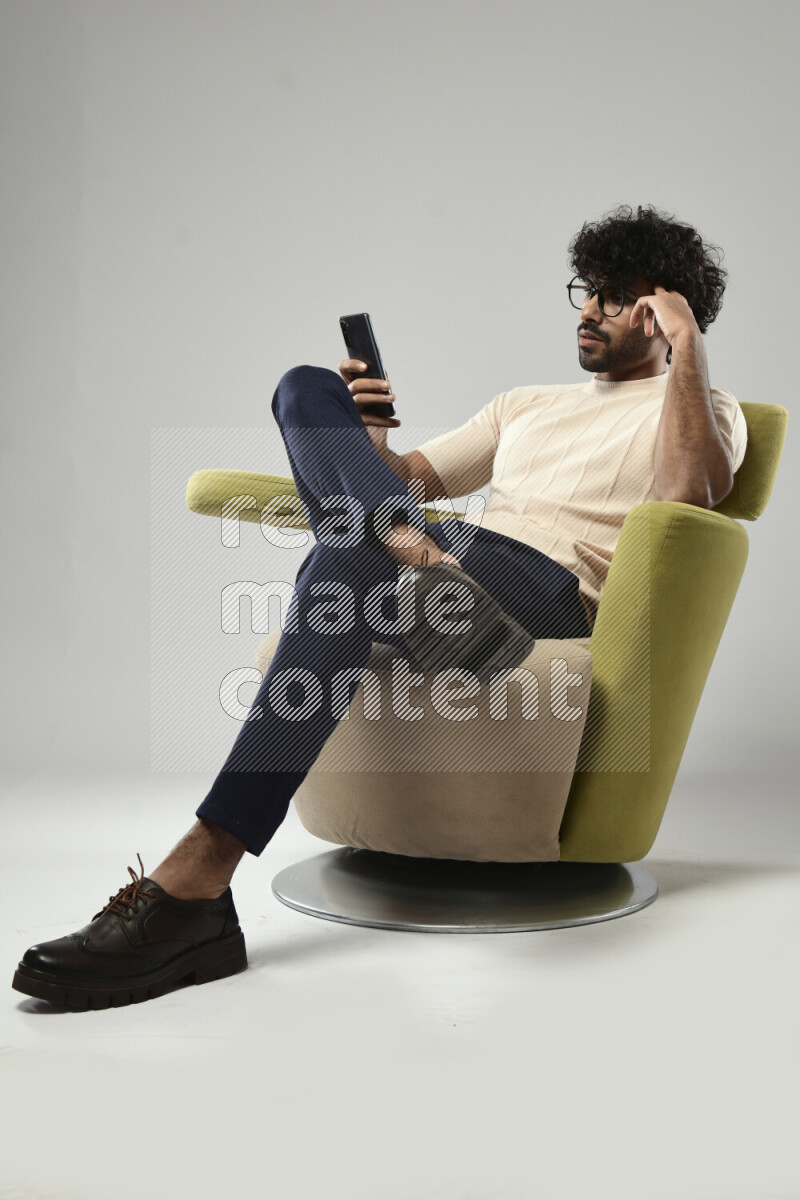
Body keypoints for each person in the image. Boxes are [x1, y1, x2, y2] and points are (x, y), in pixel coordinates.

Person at [12, 203, 748, 1009]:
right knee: (310, 403)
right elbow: (404, 483)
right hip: (448, 569)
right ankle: (414, 571)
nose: (588, 311)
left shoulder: (705, 409)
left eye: (616, 297)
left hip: (543, 594)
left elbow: (689, 494)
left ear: (665, 308)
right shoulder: (526, 405)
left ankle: (194, 884)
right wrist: (365, 433)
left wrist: (691, 350)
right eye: (585, 290)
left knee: (355, 545)